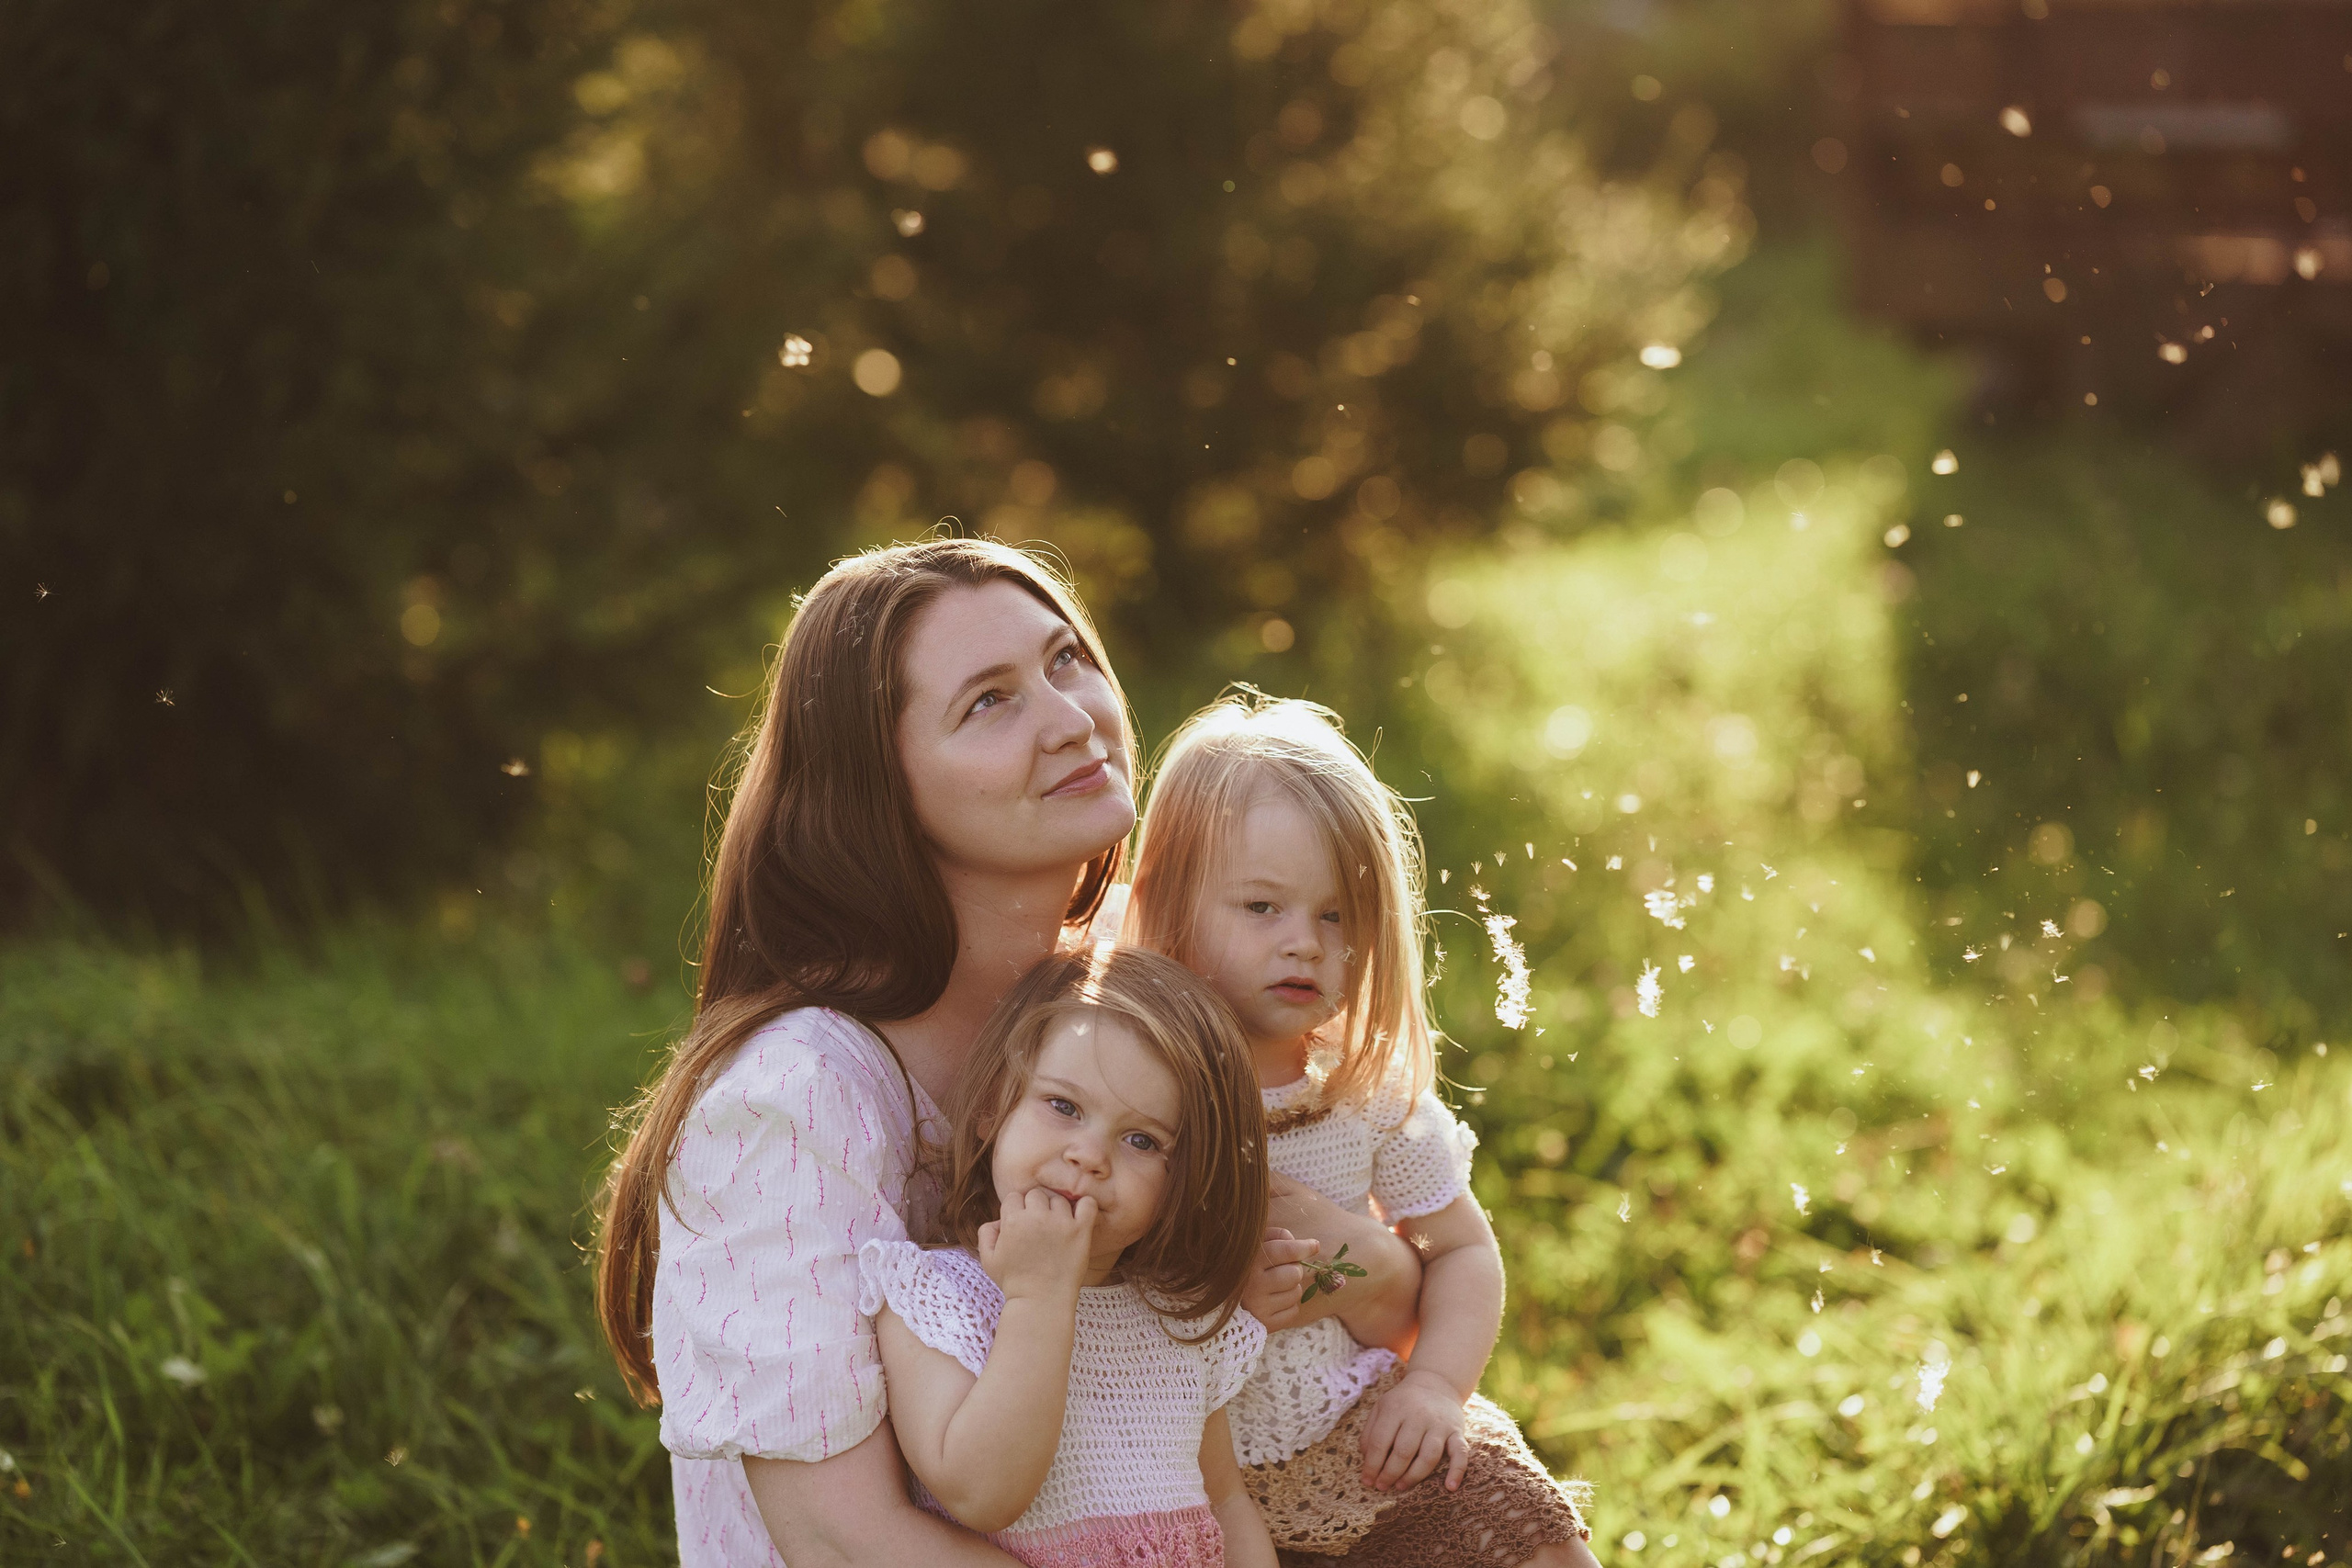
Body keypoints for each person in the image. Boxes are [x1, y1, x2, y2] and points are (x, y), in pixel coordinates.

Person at [592, 538, 1424, 1567]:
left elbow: (1396, 1296)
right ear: (875, 786)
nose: (1073, 720)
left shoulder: (1143, 985)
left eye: (1066, 660)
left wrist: (1324, 1256)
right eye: (988, 701)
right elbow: (840, 1538)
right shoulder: (793, 1101)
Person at [1125, 691, 1600, 1568]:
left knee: (1532, 1527)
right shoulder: (1140, 1081)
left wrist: (1434, 1387)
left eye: (1335, 914)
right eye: (1262, 908)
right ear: (1173, 907)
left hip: (1355, 1424)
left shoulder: (1361, 1090)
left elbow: (1462, 1249)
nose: (1305, 942)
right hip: (1185, 1457)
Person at [861, 944, 1276, 1567]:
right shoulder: (935, 1298)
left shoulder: (1179, 1323)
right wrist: (1038, 1298)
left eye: (1141, 1139)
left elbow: (1227, 1503)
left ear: (1181, 1186)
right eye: (1064, 1106)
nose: (1089, 1154)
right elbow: (981, 1492)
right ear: (992, 1107)